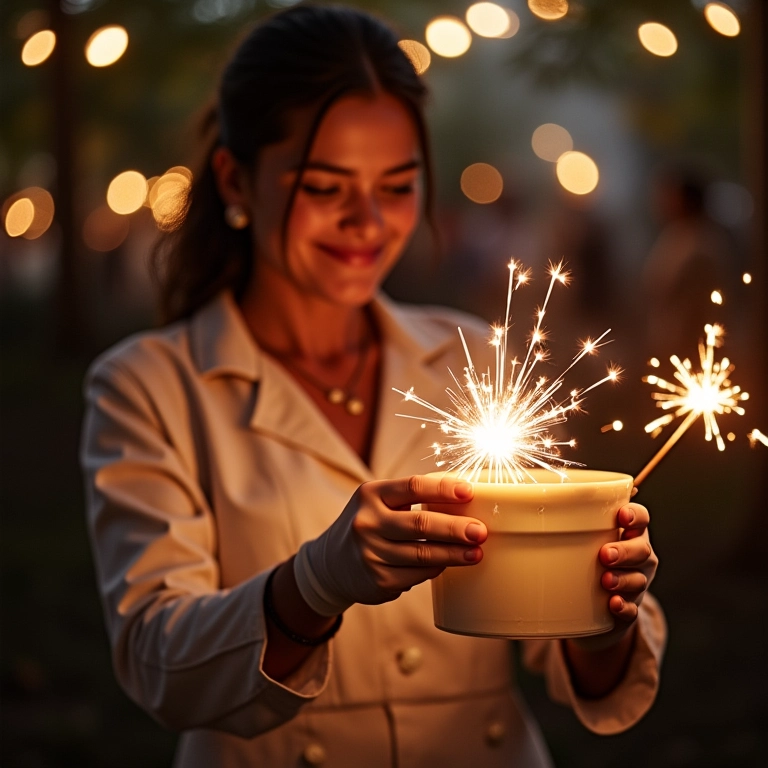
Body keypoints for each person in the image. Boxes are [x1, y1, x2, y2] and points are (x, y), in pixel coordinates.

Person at [80, 6, 666, 767]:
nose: (367, 220)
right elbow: (159, 664)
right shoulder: (149, 387)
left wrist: (606, 608)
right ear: (236, 178)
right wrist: (316, 583)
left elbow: (567, 654)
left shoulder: (474, 356)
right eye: (325, 186)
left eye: (396, 186)